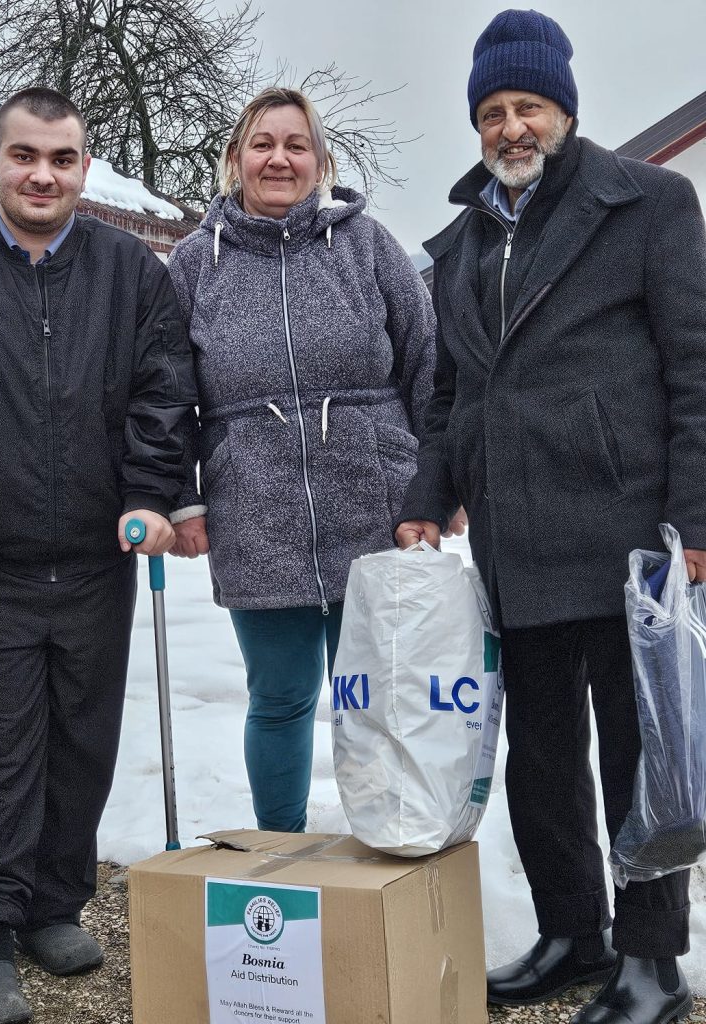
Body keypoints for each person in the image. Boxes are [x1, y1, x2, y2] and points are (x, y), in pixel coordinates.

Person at [395, 11, 706, 1024]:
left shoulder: (649, 204)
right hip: (513, 544)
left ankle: (652, 962)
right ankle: (574, 932)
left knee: (638, 757)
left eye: (527, 105)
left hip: (627, 541)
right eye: (492, 111)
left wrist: (695, 523)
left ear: (564, 109)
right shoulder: (461, 244)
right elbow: (449, 398)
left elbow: (696, 370)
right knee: (537, 760)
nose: (510, 127)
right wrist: (424, 501)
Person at [0, 87, 196, 1024]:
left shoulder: (129, 271)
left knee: (81, 744)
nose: (42, 175)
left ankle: (53, 906)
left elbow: (161, 391)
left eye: (61, 159)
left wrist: (148, 495)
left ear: (84, 169)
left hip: (98, 559)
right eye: (24, 156)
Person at [167, 87, 438, 836]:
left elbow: (426, 362)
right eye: (263, 144)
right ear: (236, 158)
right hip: (255, 507)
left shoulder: (367, 245)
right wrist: (182, 496)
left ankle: (388, 847)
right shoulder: (194, 264)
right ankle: (279, 852)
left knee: (374, 696)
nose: (279, 159)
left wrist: (437, 485)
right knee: (281, 696)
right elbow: (165, 392)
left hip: (375, 501)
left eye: (297, 145)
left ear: (321, 161)